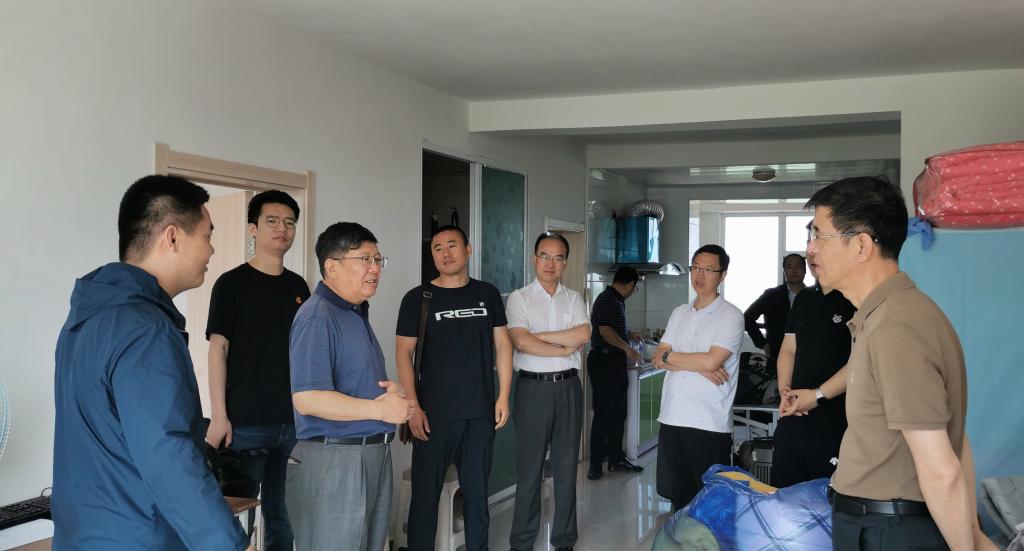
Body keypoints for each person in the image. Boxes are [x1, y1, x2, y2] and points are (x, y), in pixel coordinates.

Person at [53, 175, 251, 550]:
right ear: (172, 237)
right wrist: (228, 544)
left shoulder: (85, 319)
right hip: (140, 538)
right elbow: (168, 455)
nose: (211, 250)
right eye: (207, 235)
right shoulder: (145, 329)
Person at [805, 176, 995, 550]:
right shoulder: (886, 316)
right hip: (884, 525)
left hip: (889, 532)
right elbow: (958, 439)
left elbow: (943, 471)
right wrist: (972, 534)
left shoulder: (896, 328)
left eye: (819, 235)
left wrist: (967, 545)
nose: (810, 249)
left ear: (861, 245)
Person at [285, 222, 413, 551]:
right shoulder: (318, 316)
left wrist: (391, 394)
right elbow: (307, 398)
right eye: (365, 259)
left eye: (378, 260)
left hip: (371, 455)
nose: (375, 269)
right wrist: (378, 409)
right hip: (335, 459)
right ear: (332, 267)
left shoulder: (354, 313)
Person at [396, 224, 513, 551]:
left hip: (479, 415)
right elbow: (403, 354)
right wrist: (413, 407)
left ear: (468, 250)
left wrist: (503, 395)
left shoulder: (487, 294)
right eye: (438, 248)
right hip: (432, 417)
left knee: (477, 497)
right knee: (424, 500)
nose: (445, 253)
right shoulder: (418, 298)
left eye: (452, 245)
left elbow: (503, 344)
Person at [205, 190, 309, 550]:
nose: (282, 228)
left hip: (293, 423)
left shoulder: (298, 287)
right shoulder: (231, 284)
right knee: (236, 523)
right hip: (245, 425)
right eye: (272, 221)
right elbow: (217, 350)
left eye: (289, 222)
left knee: (285, 519)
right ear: (253, 228)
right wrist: (220, 416)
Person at [506, 233, 591, 551]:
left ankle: (564, 540)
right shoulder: (519, 298)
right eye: (544, 256)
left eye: (557, 258)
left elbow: (583, 335)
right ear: (534, 259)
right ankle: (522, 542)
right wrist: (562, 344)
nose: (550, 263)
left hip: (569, 388)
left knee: (567, 469)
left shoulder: (574, 299)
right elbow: (520, 341)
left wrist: (539, 337)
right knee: (529, 470)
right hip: (533, 389)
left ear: (565, 263)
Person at [652, 244, 744, 512]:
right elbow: (658, 357)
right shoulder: (679, 312)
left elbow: (713, 360)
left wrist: (680, 359)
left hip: (709, 422)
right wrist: (701, 365)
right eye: (695, 268)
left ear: (722, 275)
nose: (699, 275)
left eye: (708, 270)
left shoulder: (731, 315)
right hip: (671, 417)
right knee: (678, 498)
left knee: (710, 503)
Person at [771, 258, 855, 487]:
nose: (814, 252)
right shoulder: (804, 298)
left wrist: (817, 395)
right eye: (810, 244)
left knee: (827, 497)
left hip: (834, 418)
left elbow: (861, 361)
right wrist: (784, 390)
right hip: (793, 414)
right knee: (784, 494)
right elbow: (788, 349)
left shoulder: (854, 297)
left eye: (820, 242)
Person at [586, 266, 644, 480]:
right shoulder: (607, 300)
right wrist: (626, 347)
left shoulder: (616, 300)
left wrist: (629, 334)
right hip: (604, 361)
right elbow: (605, 331)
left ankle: (616, 459)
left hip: (614, 361)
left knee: (618, 413)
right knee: (603, 413)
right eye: (635, 288)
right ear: (631, 285)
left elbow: (612, 328)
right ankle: (595, 464)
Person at [743, 253, 807, 377]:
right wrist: (763, 344)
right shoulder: (772, 295)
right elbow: (747, 318)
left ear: (805, 270)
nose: (794, 270)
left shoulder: (814, 296)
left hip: (807, 356)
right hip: (778, 355)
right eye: (789, 267)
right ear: (784, 271)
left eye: (798, 266)